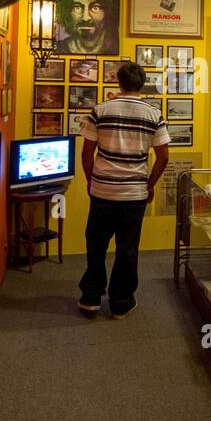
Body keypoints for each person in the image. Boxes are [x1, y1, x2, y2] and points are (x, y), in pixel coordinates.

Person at [77, 61, 170, 318]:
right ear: (142, 85)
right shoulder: (153, 115)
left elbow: (87, 152)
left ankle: (91, 297)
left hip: (103, 191)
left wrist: (91, 180)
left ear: (118, 82)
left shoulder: (100, 110)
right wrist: (149, 185)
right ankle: (120, 302)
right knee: (127, 248)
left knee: (95, 244)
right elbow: (163, 157)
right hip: (134, 193)